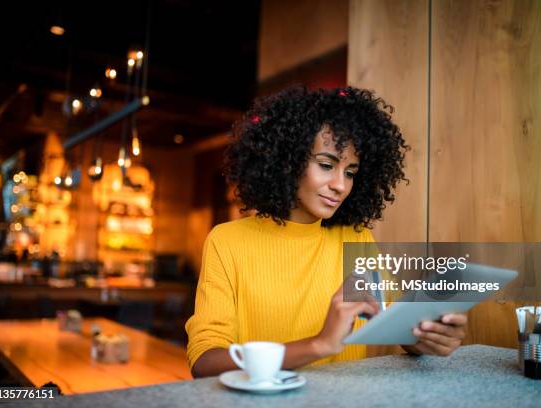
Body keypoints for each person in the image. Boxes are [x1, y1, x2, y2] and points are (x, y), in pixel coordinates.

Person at [186, 86, 467, 378]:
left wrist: (429, 334)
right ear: (288, 161)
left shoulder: (354, 238)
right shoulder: (228, 241)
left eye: (350, 172)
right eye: (325, 165)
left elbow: (397, 326)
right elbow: (205, 361)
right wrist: (318, 345)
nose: (341, 185)